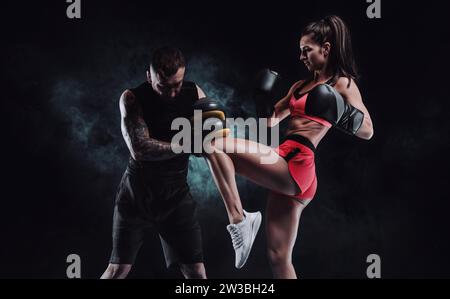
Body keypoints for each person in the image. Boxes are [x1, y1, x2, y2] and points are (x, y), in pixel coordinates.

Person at [202, 15, 374, 278]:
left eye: (307, 50)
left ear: (325, 49)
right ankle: (242, 221)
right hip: (286, 159)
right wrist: (262, 101)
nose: (302, 56)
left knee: (214, 145)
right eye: (300, 51)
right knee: (278, 259)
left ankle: (239, 220)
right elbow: (269, 123)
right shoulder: (299, 86)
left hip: (299, 163)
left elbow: (368, 131)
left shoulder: (341, 83)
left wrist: (339, 111)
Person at [101, 46, 209, 279]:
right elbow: (140, 148)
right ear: (149, 76)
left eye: (177, 85)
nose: (172, 93)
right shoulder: (132, 98)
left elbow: (207, 143)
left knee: (197, 273)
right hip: (137, 195)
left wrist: (209, 139)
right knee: (117, 270)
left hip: (176, 195)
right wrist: (186, 145)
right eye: (164, 86)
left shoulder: (195, 94)